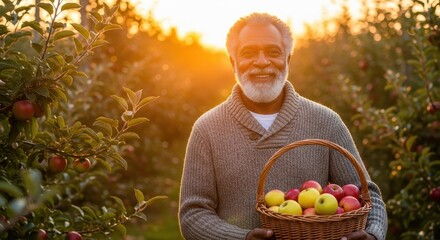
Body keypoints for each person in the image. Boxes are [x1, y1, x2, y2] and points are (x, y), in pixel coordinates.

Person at [179, 12, 387, 240]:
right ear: (233, 61)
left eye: (273, 52)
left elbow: (368, 195)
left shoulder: (325, 122)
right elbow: (193, 214)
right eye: (249, 53)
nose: (261, 62)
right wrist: (242, 238)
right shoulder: (207, 129)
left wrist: (373, 234)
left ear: (287, 59)